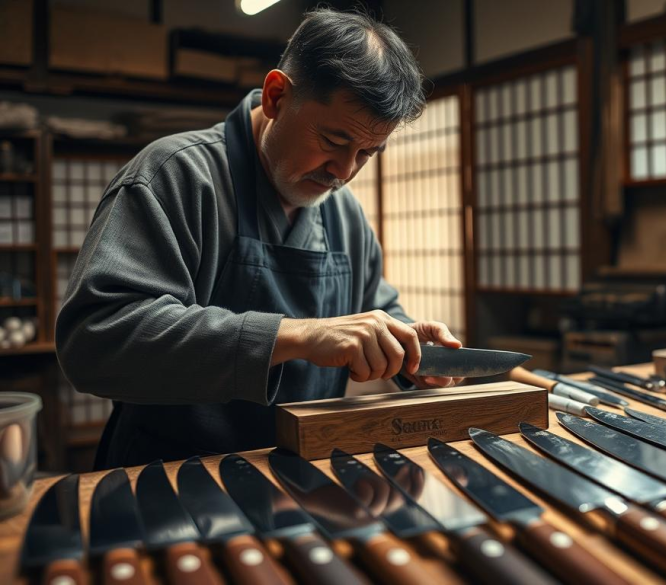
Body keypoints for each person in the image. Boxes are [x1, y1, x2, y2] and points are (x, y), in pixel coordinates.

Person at [55, 9, 462, 469]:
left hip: (304, 471)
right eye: (332, 140)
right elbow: (94, 341)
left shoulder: (344, 211)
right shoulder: (175, 176)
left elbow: (374, 305)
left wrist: (408, 346)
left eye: (367, 153)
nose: (344, 173)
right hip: (170, 476)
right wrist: (298, 335)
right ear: (276, 96)